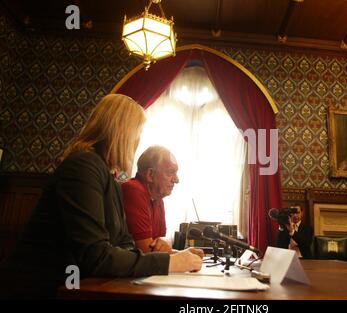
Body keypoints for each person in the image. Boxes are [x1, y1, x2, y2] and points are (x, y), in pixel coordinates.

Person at [0, 94, 202, 299]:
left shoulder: (108, 174)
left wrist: (171, 258)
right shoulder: (83, 165)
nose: (136, 142)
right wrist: (170, 263)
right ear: (121, 132)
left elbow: (124, 243)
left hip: (75, 283)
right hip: (42, 289)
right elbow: (94, 255)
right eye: (137, 133)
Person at [121, 146, 179, 253]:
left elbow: (159, 247)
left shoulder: (158, 199)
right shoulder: (134, 190)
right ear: (150, 174)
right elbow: (146, 251)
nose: (176, 180)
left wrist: (186, 254)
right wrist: (183, 255)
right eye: (170, 173)